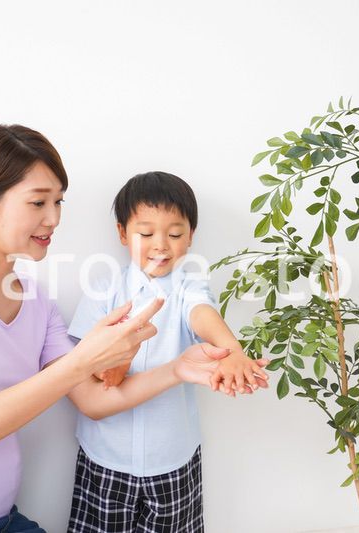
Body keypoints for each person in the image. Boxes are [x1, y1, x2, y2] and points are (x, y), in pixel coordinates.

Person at [0, 125, 264, 533]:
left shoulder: (38, 303)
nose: (54, 218)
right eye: (39, 203)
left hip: (0, 521)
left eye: (58, 202)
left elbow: (95, 401)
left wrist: (178, 370)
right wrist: (83, 361)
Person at [66, 171, 270, 533]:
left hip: (172, 461)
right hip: (106, 460)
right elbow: (85, 367)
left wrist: (232, 349)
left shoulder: (188, 287)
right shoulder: (103, 291)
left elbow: (202, 313)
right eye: (146, 234)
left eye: (174, 234)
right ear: (122, 234)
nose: (160, 244)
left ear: (190, 237)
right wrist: (117, 360)